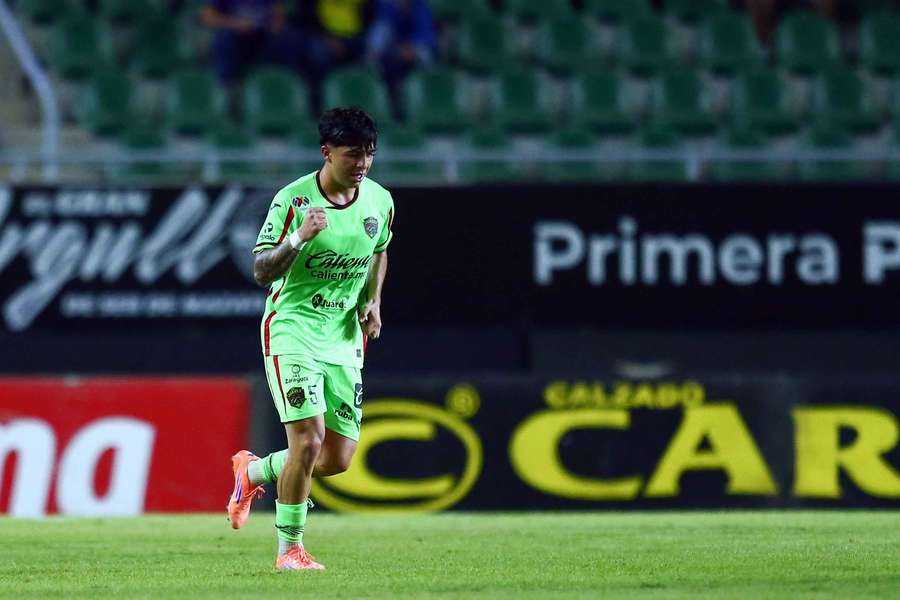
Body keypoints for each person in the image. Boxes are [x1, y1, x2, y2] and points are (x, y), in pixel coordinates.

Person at [226, 107, 394, 571]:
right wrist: (299, 237)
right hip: (293, 330)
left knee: (337, 458)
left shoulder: (379, 200)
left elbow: (380, 252)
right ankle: (290, 550)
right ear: (327, 152)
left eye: (369, 154)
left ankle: (253, 471)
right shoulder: (292, 201)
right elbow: (261, 269)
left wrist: (373, 300)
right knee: (307, 441)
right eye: (352, 154)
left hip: (343, 337)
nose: (362, 163)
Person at [201, 0, 305, 83]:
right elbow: (208, 17)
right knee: (223, 38)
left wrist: (275, 25)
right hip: (235, 35)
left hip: (262, 35)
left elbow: (279, 16)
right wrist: (236, 24)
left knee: (289, 37)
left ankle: (279, 84)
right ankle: (227, 87)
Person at [365, 0, 436, 120]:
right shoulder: (386, 5)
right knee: (384, 58)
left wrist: (413, 48)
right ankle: (392, 103)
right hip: (393, 52)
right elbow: (380, 35)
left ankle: (421, 101)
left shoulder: (421, 6)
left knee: (425, 55)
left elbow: (428, 37)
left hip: (417, 50)